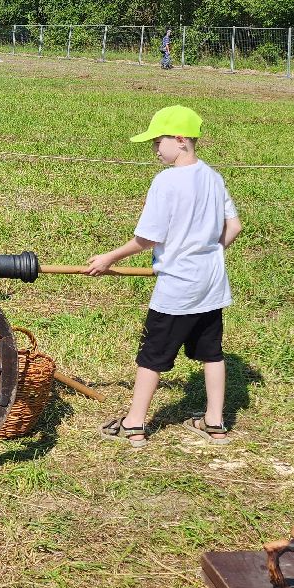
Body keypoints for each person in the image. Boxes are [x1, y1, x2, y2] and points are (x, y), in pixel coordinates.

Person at [85, 106, 241, 447]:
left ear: (181, 140)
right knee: (212, 353)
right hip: (211, 283)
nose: (155, 149)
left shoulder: (167, 181)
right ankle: (215, 422)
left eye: (159, 141)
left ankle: (134, 424)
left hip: (177, 288)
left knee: (152, 356)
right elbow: (234, 226)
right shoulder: (214, 177)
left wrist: (109, 257)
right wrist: (209, 252)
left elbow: (148, 238)